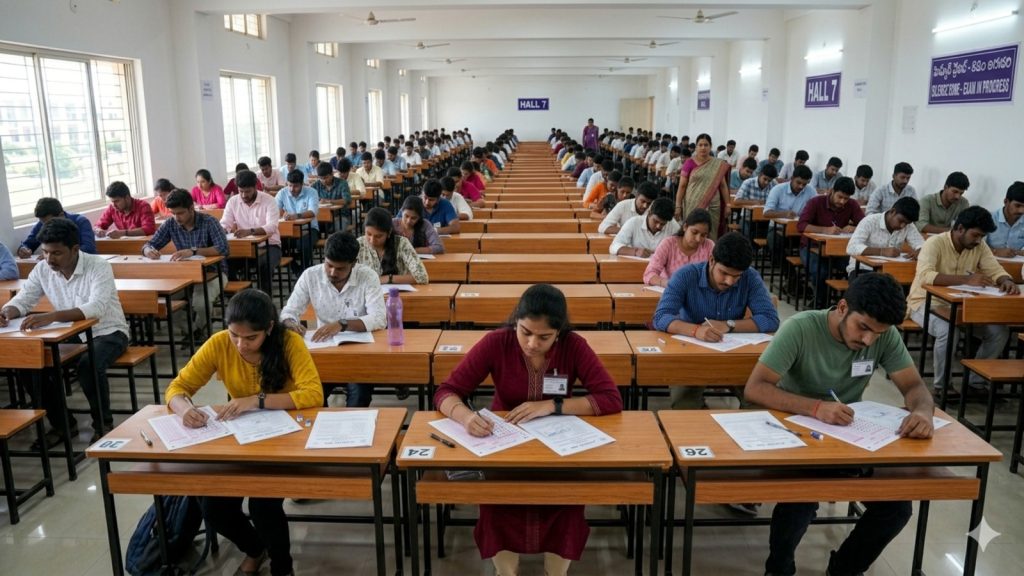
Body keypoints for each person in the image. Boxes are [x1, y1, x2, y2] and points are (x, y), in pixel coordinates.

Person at [744, 272, 934, 576]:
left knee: (896, 507)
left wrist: (923, 413)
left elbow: (914, 388)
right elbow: (755, 388)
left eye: (878, 333)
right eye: (863, 328)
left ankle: (844, 568)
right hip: (797, 434)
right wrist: (816, 408)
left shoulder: (883, 335)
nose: (868, 340)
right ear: (843, 307)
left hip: (850, 438)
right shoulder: (800, 328)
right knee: (800, 502)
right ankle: (779, 568)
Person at [434, 284, 623, 576]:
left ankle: (556, 573)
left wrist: (552, 406)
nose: (533, 343)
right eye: (525, 332)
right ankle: (505, 572)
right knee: (497, 502)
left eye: (544, 337)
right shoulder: (497, 342)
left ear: (559, 333)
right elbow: (446, 391)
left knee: (567, 503)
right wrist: (465, 416)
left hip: (560, 447)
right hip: (503, 445)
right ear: (516, 323)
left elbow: (610, 398)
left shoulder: (574, 346)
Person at [165, 289, 323, 576]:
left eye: (251, 338)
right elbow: (178, 387)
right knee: (213, 506)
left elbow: (313, 394)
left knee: (263, 505)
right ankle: (254, 548)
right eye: (234, 335)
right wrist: (183, 409)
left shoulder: (288, 343)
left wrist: (257, 400)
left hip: (287, 437)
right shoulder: (219, 344)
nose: (241, 344)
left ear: (269, 328)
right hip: (241, 438)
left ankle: (282, 568)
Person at [1, 218, 129, 445]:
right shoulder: (42, 268)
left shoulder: (98, 266)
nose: (50, 259)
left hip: (109, 331)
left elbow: (96, 308)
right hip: (70, 334)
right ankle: (63, 425)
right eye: (46, 252)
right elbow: (25, 297)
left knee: (88, 364)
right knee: (30, 364)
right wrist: (8, 311)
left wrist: (51, 316)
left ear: (75, 249)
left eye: (57, 253)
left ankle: (103, 424)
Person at [654, 232, 779, 409]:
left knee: (759, 402)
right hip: (692, 354)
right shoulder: (685, 276)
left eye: (737, 277)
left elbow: (770, 319)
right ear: (711, 260)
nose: (730, 281)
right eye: (724, 273)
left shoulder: (750, 277)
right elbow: (661, 316)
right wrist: (696, 330)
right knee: (685, 408)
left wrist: (729, 325)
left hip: (735, 354)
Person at [907, 207, 1019, 397]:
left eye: (982, 237)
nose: (978, 241)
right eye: (975, 235)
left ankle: (975, 382)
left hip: (962, 305)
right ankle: (942, 386)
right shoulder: (934, 243)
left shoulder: (979, 246)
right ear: (960, 228)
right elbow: (925, 276)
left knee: (999, 332)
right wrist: (966, 280)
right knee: (948, 331)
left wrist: (1005, 280)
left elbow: (994, 268)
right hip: (925, 303)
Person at [281, 232, 385, 408]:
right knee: (312, 395)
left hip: (359, 353)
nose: (332, 272)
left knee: (358, 398)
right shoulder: (310, 276)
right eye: (328, 265)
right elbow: (288, 312)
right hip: (323, 352)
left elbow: (379, 319)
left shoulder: (368, 276)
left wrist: (342, 324)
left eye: (340, 268)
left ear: (353, 264)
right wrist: (291, 323)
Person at [143, 189, 229, 338]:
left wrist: (194, 251)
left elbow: (223, 249)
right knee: (165, 303)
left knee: (201, 303)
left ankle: (200, 331)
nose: (176, 217)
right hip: (184, 275)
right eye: (173, 213)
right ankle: (193, 331)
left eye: (180, 213)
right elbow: (150, 244)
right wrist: (148, 250)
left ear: (191, 208)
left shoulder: (209, 222)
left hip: (213, 273)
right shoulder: (171, 223)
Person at [797, 177, 865, 308]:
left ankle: (849, 305)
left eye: (846, 198)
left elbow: (865, 225)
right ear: (831, 191)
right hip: (811, 247)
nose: (842, 201)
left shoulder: (852, 204)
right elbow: (801, 226)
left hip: (838, 250)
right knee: (821, 271)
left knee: (855, 268)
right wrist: (825, 230)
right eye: (840, 197)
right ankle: (820, 303)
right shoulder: (815, 202)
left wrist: (854, 227)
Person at [220, 170, 281, 293]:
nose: (243, 195)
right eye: (240, 191)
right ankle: (244, 295)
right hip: (244, 248)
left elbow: (272, 226)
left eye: (247, 191)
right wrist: (220, 231)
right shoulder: (233, 201)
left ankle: (265, 299)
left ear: (255, 187)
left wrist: (250, 231)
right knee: (225, 263)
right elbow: (225, 223)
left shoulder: (268, 200)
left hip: (270, 246)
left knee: (265, 265)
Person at [846, 196, 925, 277]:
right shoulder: (869, 221)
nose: (902, 226)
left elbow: (921, 244)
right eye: (901, 221)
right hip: (863, 269)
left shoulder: (908, 226)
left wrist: (920, 250)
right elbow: (852, 247)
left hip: (891, 271)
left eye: (906, 223)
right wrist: (881, 251)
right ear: (892, 211)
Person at [675, 133, 731, 239]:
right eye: (700, 145)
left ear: (711, 146)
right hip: (693, 203)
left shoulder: (717, 164)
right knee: (693, 230)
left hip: (713, 204)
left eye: (706, 145)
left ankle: (710, 253)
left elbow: (723, 186)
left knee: (711, 231)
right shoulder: (689, 163)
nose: (703, 148)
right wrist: (678, 206)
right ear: (696, 146)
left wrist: (728, 205)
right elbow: (682, 186)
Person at [643, 208, 715, 287]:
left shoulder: (709, 246)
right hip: (670, 292)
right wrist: (668, 283)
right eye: (694, 232)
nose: (698, 239)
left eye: (703, 235)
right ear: (685, 227)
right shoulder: (668, 244)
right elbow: (649, 274)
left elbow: (715, 275)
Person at [357, 207, 429, 285]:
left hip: (397, 296)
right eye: (368, 234)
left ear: (389, 233)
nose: (372, 240)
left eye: (378, 236)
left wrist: (389, 278)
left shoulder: (402, 244)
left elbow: (422, 277)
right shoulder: (359, 244)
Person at [18, 198, 97, 257]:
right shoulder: (42, 224)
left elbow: (89, 249)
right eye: (42, 222)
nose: (46, 226)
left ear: (61, 215)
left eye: (50, 222)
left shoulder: (81, 222)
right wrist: (23, 249)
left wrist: (57, 255)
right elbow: (28, 244)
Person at [277, 170, 320, 268]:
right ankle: (294, 268)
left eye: (295, 186)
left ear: (302, 184)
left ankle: (304, 268)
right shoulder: (282, 193)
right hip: (289, 230)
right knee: (276, 244)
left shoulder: (311, 192)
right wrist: (282, 213)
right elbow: (275, 210)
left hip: (309, 229)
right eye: (289, 185)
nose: (292, 189)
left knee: (304, 244)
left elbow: (313, 212)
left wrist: (296, 216)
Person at [610, 198, 679, 257]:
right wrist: (635, 251)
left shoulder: (673, 226)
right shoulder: (634, 222)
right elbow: (613, 247)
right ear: (649, 213)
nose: (658, 226)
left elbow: (681, 251)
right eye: (655, 221)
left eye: (663, 224)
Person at [986, 181, 1024, 257]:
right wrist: (995, 251)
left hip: (1018, 264)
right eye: (1017, 206)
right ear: (1006, 201)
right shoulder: (989, 218)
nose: (1022, 211)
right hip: (990, 261)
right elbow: (977, 246)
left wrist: (1019, 252)